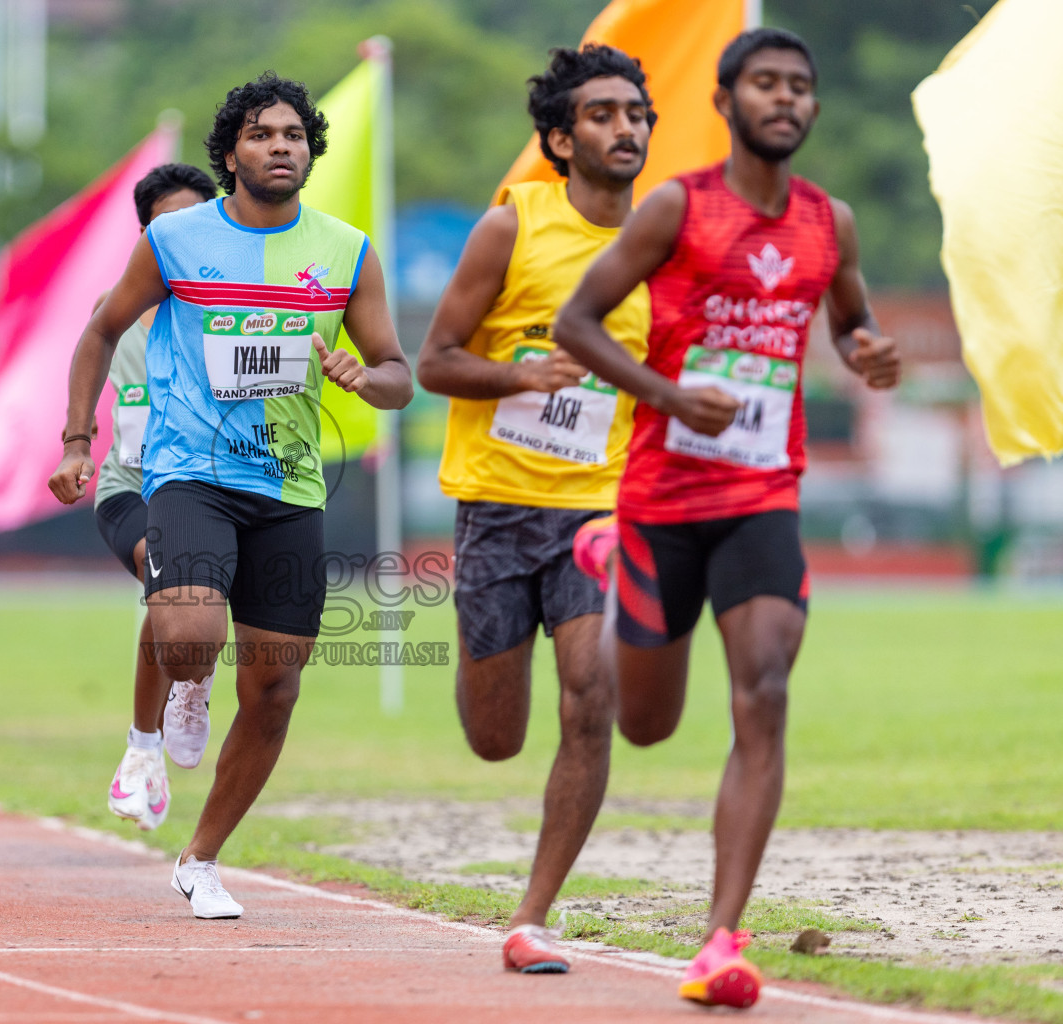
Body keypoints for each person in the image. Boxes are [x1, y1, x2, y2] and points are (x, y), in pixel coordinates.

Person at [553, 28, 900, 1008]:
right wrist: (665, 394)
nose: (784, 99)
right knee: (650, 724)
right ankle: (613, 558)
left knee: (766, 685)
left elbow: (848, 317)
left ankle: (720, 940)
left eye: (799, 87)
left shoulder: (830, 221)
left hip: (761, 494)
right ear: (725, 98)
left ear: (813, 109)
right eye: (764, 83)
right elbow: (577, 323)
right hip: (662, 499)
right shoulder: (678, 206)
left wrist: (866, 347)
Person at [49, 72, 412, 919]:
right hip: (190, 476)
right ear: (229, 154)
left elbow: (400, 374)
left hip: (288, 487)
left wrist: (371, 377)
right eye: (262, 134)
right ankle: (185, 684)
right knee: (187, 635)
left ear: (310, 150)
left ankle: (201, 859)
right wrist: (76, 439)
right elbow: (102, 328)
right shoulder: (177, 242)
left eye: (294, 134)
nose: (281, 145)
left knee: (277, 690)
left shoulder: (346, 250)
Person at [416, 43, 656, 975]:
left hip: (603, 511)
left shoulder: (661, 247)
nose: (624, 128)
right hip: (499, 507)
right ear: (560, 137)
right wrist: (522, 373)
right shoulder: (511, 227)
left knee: (590, 697)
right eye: (601, 114)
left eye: (635, 113)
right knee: (496, 735)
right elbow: (435, 360)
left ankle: (533, 918)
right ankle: (482, 662)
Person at [95, 163, 218, 832]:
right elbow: (87, 366)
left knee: (194, 592)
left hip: (211, 489)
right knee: (165, 567)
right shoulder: (116, 312)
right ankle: (145, 748)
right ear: (145, 233)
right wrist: (75, 446)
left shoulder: (229, 310)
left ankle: (190, 678)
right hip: (129, 490)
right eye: (167, 223)